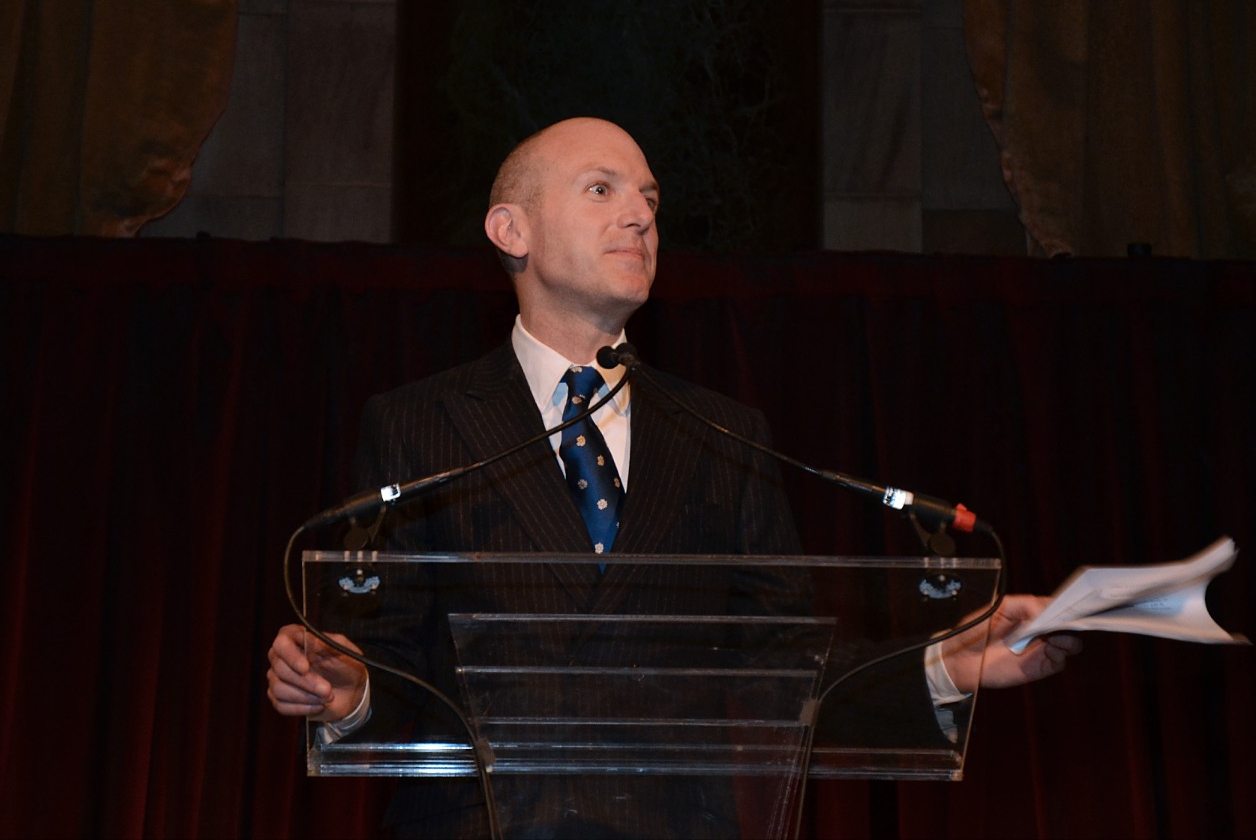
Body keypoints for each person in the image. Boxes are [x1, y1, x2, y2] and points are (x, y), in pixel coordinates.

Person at [267, 117, 1082, 837]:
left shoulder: (724, 435)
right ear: (512, 229)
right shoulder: (418, 423)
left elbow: (785, 667)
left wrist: (950, 664)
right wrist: (346, 684)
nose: (641, 215)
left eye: (650, 198)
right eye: (602, 189)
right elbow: (387, 657)